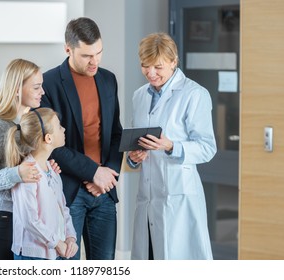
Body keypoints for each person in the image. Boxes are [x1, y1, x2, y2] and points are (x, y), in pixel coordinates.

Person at [127, 32, 217, 260]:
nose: (150, 73)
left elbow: (207, 147)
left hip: (179, 197)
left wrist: (171, 146)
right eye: (145, 66)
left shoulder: (194, 94)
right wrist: (133, 157)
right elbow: (133, 141)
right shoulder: (139, 96)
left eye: (158, 67)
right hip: (147, 196)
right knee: (149, 258)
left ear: (174, 62)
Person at [41, 17, 123, 260]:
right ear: (68, 49)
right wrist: (92, 172)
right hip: (69, 193)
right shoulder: (48, 83)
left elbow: (115, 132)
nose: (95, 61)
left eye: (99, 53)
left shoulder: (108, 79)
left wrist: (107, 173)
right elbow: (50, 145)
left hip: (104, 192)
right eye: (87, 55)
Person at [0, 58, 59, 260]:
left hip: (21, 222)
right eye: (37, 87)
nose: (43, 92)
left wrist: (44, 169)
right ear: (16, 89)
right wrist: (18, 174)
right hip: (0, 222)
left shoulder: (26, 124)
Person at [6, 108, 78, 260]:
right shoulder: (27, 172)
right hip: (33, 255)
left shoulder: (51, 169)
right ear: (48, 138)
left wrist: (70, 237)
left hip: (54, 253)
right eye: (59, 126)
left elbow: (63, 209)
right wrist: (56, 243)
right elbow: (30, 221)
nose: (64, 129)